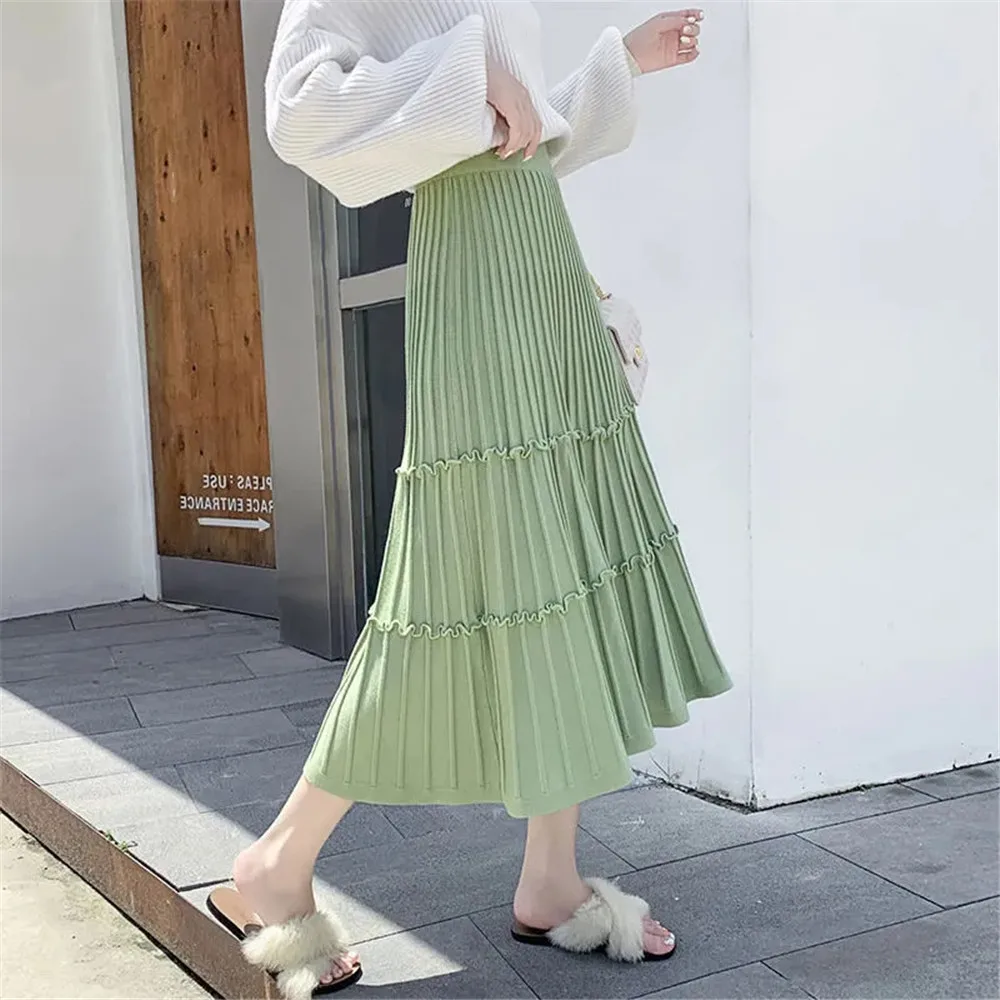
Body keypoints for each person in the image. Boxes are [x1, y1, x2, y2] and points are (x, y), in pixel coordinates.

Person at [207, 3, 731, 997]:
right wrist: (467, 69)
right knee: (453, 575)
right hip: (479, 272)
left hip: (536, 253)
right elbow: (299, 108)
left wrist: (616, 64)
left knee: (565, 548)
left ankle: (550, 875)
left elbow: (515, 134)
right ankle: (277, 859)